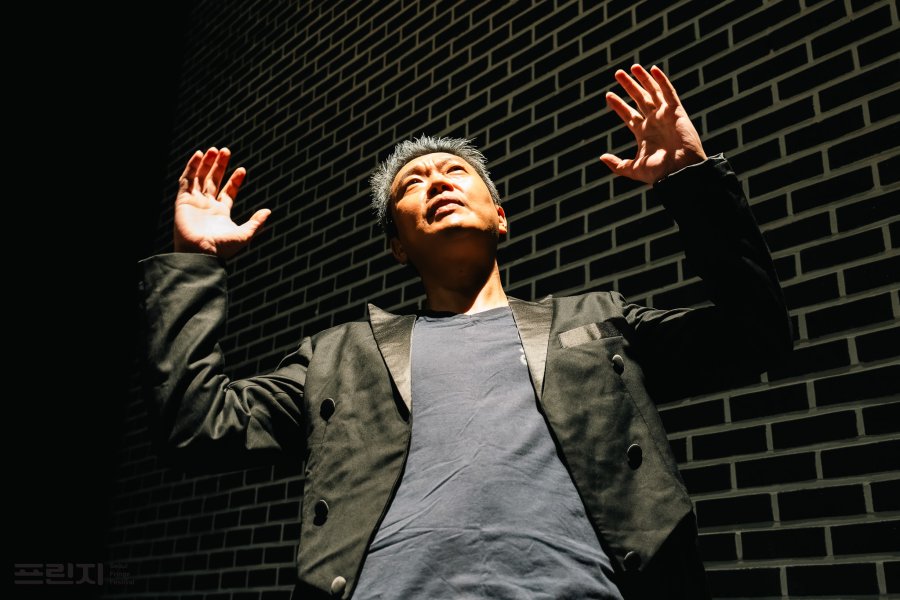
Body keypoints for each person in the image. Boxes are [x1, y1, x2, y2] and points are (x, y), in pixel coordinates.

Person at [139, 64, 792, 599]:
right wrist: (193, 266)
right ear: (397, 245)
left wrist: (692, 183)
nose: (436, 183)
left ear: (500, 217)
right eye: (412, 183)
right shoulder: (341, 356)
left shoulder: (596, 324)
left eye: (455, 172)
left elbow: (755, 333)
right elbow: (197, 424)